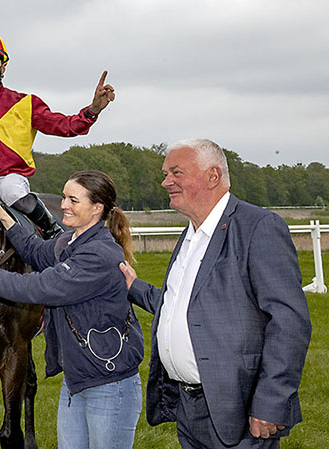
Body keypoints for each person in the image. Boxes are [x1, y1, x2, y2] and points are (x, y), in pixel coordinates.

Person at [118, 139, 312, 449]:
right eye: (166, 173)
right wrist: (134, 287)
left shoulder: (257, 227)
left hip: (239, 410)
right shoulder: (192, 233)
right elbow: (183, 306)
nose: (165, 182)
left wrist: (270, 401)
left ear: (212, 176)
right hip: (188, 407)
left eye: (175, 173)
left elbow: (289, 322)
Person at [0, 170, 144, 449]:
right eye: (64, 197)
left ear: (97, 208)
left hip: (109, 386)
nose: (63, 205)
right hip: (76, 382)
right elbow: (34, 250)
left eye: (73, 200)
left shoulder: (99, 253)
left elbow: (40, 287)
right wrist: (1, 213)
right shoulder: (69, 242)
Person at [0, 30, 116, 239]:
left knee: (11, 191)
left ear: (3, 67)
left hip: (11, 178)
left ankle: (54, 232)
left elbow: (65, 126)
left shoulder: (26, 103)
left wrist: (93, 110)